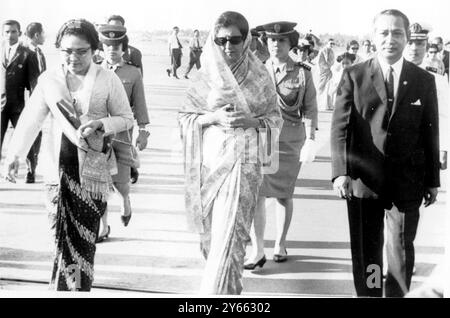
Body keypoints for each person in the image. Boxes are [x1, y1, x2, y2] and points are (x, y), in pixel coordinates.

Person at [4, 19, 134, 291]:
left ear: (94, 50)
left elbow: (125, 118)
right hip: (56, 171)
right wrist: (15, 155)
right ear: (58, 50)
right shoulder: (50, 80)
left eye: (81, 51)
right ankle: (68, 288)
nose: (73, 57)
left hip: (92, 172)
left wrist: (102, 124)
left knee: (83, 241)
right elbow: (31, 120)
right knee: (60, 237)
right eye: (66, 51)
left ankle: (74, 289)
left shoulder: (107, 79)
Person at [331, 9, 440, 297]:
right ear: (373, 36)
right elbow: (341, 128)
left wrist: (432, 180)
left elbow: (430, 133)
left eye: (397, 33)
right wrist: (340, 171)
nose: (390, 39)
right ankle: (370, 295)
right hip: (364, 182)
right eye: (384, 32)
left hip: (406, 184)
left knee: (400, 252)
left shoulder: (423, 80)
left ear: (406, 38)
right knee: (369, 253)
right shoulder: (354, 76)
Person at [178, 11, 282, 294]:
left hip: (244, 165)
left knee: (233, 239)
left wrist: (252, 122)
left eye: (235, 39)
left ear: (246, 40)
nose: (228, 46)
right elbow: (186, 117)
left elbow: (275, 118)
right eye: (221, 39)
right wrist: (213, 118)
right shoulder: (205, 75)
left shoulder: (260, 75)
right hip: (209, 165)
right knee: (212, 239)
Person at [245, 21, 317, 268]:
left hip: (290, 141)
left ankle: (280, 242)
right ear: (266, 42)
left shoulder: (302, 73)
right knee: (258, 194)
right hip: (264, 137)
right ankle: (258, 249)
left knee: (284, 196)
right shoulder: (258, 70)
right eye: (272, 40)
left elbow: (309, 109)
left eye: (282, 41)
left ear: (291, 44)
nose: (276, 45)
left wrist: (311, 139)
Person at [96, 24, 150, 242]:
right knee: (99, 184)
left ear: (123, 48)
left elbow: (140, 103)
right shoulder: (94, 70)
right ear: (102, 47)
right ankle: (102, 227)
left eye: (116, 46)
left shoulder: (133, 73)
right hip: (99, 135)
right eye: (108, 45)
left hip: (123, 134)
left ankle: (126, 200)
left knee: (121, 183)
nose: (112, 49)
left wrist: (144, 130)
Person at [404, 22, 448, 170]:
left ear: (427, 46)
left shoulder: (437, 79)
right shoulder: (390, 75)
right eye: (410, 42)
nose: (414, 48)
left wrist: (443, 149)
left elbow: (443, 116)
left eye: (420, 43)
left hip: (421, 149)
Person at [1, 20, 40, 182]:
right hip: (1, 105)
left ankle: (31, 172)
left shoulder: (27, 54)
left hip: (19, 106)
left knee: (26, 138)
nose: (10, 35)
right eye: (7, 32)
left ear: (20, 33)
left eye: (13, 32)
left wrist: (34, 106)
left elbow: (33, 83)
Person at [24, 22, 47, 183]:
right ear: (37, 35)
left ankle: (33, 166)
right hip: (27, 101)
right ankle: (29, 170)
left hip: (39, 100)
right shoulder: (24, 53)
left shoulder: (40, 53)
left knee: (37, 133)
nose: (45, 36)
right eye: (43, 33)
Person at [317, 38, 335, 110]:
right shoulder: (324, 50)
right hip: (323, 71)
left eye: (333, 44)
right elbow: (321, 61)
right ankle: (319, 104)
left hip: (328, 70)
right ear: (327, 43)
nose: (332, 45)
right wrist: (326, 67)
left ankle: (328, 105)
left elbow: (332, 61)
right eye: (330, 43)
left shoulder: (331, 50)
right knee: (321, 87)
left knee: (329, 88)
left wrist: (330, 68)